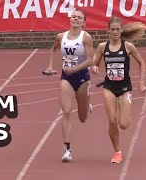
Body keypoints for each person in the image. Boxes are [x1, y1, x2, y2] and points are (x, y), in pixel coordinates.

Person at [91, 17, 146, 163]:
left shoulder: (128, 46)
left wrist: (141, 83)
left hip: (124, 88)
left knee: (123, 124)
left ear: (121, 30)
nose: (115, 32)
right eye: (112, 29)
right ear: (108, 30)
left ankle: (126, 109)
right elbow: (95, 63)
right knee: (112, 121)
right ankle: (117, 152)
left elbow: (141, 62)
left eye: (117, 29)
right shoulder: (103, 47)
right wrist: (95, 67)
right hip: (109, 86)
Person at [44, 9, 94, 163]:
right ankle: (67, 149)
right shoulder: (61, 37)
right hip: (66, 77)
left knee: (83, 117)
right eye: (74, 16)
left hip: (82, 77)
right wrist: (50, 67)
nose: (76, 19)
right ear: (70, 19)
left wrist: (75, 69)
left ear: (84, 23)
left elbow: (90, 60)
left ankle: (87, 107)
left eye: (79, 18)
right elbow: (53, 49)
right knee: (66, 111)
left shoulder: (86, 37)